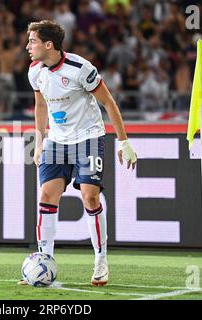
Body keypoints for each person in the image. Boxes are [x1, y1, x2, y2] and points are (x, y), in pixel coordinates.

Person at [20, 20, 137, 286]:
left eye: (33, 41)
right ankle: (43, 263)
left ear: (48, 45)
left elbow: (108, 101)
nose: (28, 46)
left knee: (90, 196)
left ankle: (100, 261)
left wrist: (124, 142)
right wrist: (39, 141)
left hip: (88, 137)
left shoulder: (80, 68)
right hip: (57, 141)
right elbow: (40, 106)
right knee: (47, 195)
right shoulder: (35, 71)